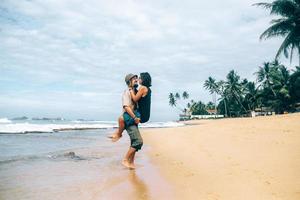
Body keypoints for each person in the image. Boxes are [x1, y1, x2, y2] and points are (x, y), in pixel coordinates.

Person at [110, 72, 152, 142]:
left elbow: (135, 99)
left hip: (140, 115)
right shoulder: (129, 92)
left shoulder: (139, 89)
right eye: (134, 79)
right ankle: (118, 134)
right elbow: (126, 107)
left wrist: (131, 89)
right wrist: (134, 117)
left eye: (138, 78)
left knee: (121, 119)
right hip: (141, 115)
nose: (137, 80)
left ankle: (118, 134)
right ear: (129, 82)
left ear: (143, 79)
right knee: (121, 119)